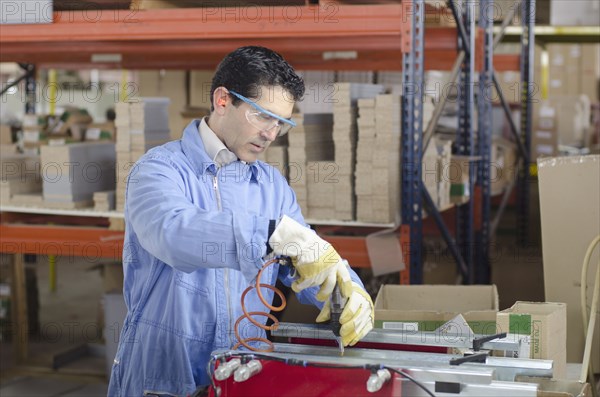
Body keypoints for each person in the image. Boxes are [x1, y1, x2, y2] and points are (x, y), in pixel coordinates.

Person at [108, 46, 374, 396]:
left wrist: (345, 287)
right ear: (222, 100)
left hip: (244, 372)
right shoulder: (159, 170)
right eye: (263, 116)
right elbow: (172, 234)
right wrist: (269, 234)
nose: (271, 133)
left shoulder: (271, 185)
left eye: (281, 122)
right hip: (164, 374)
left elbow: (305, 259)